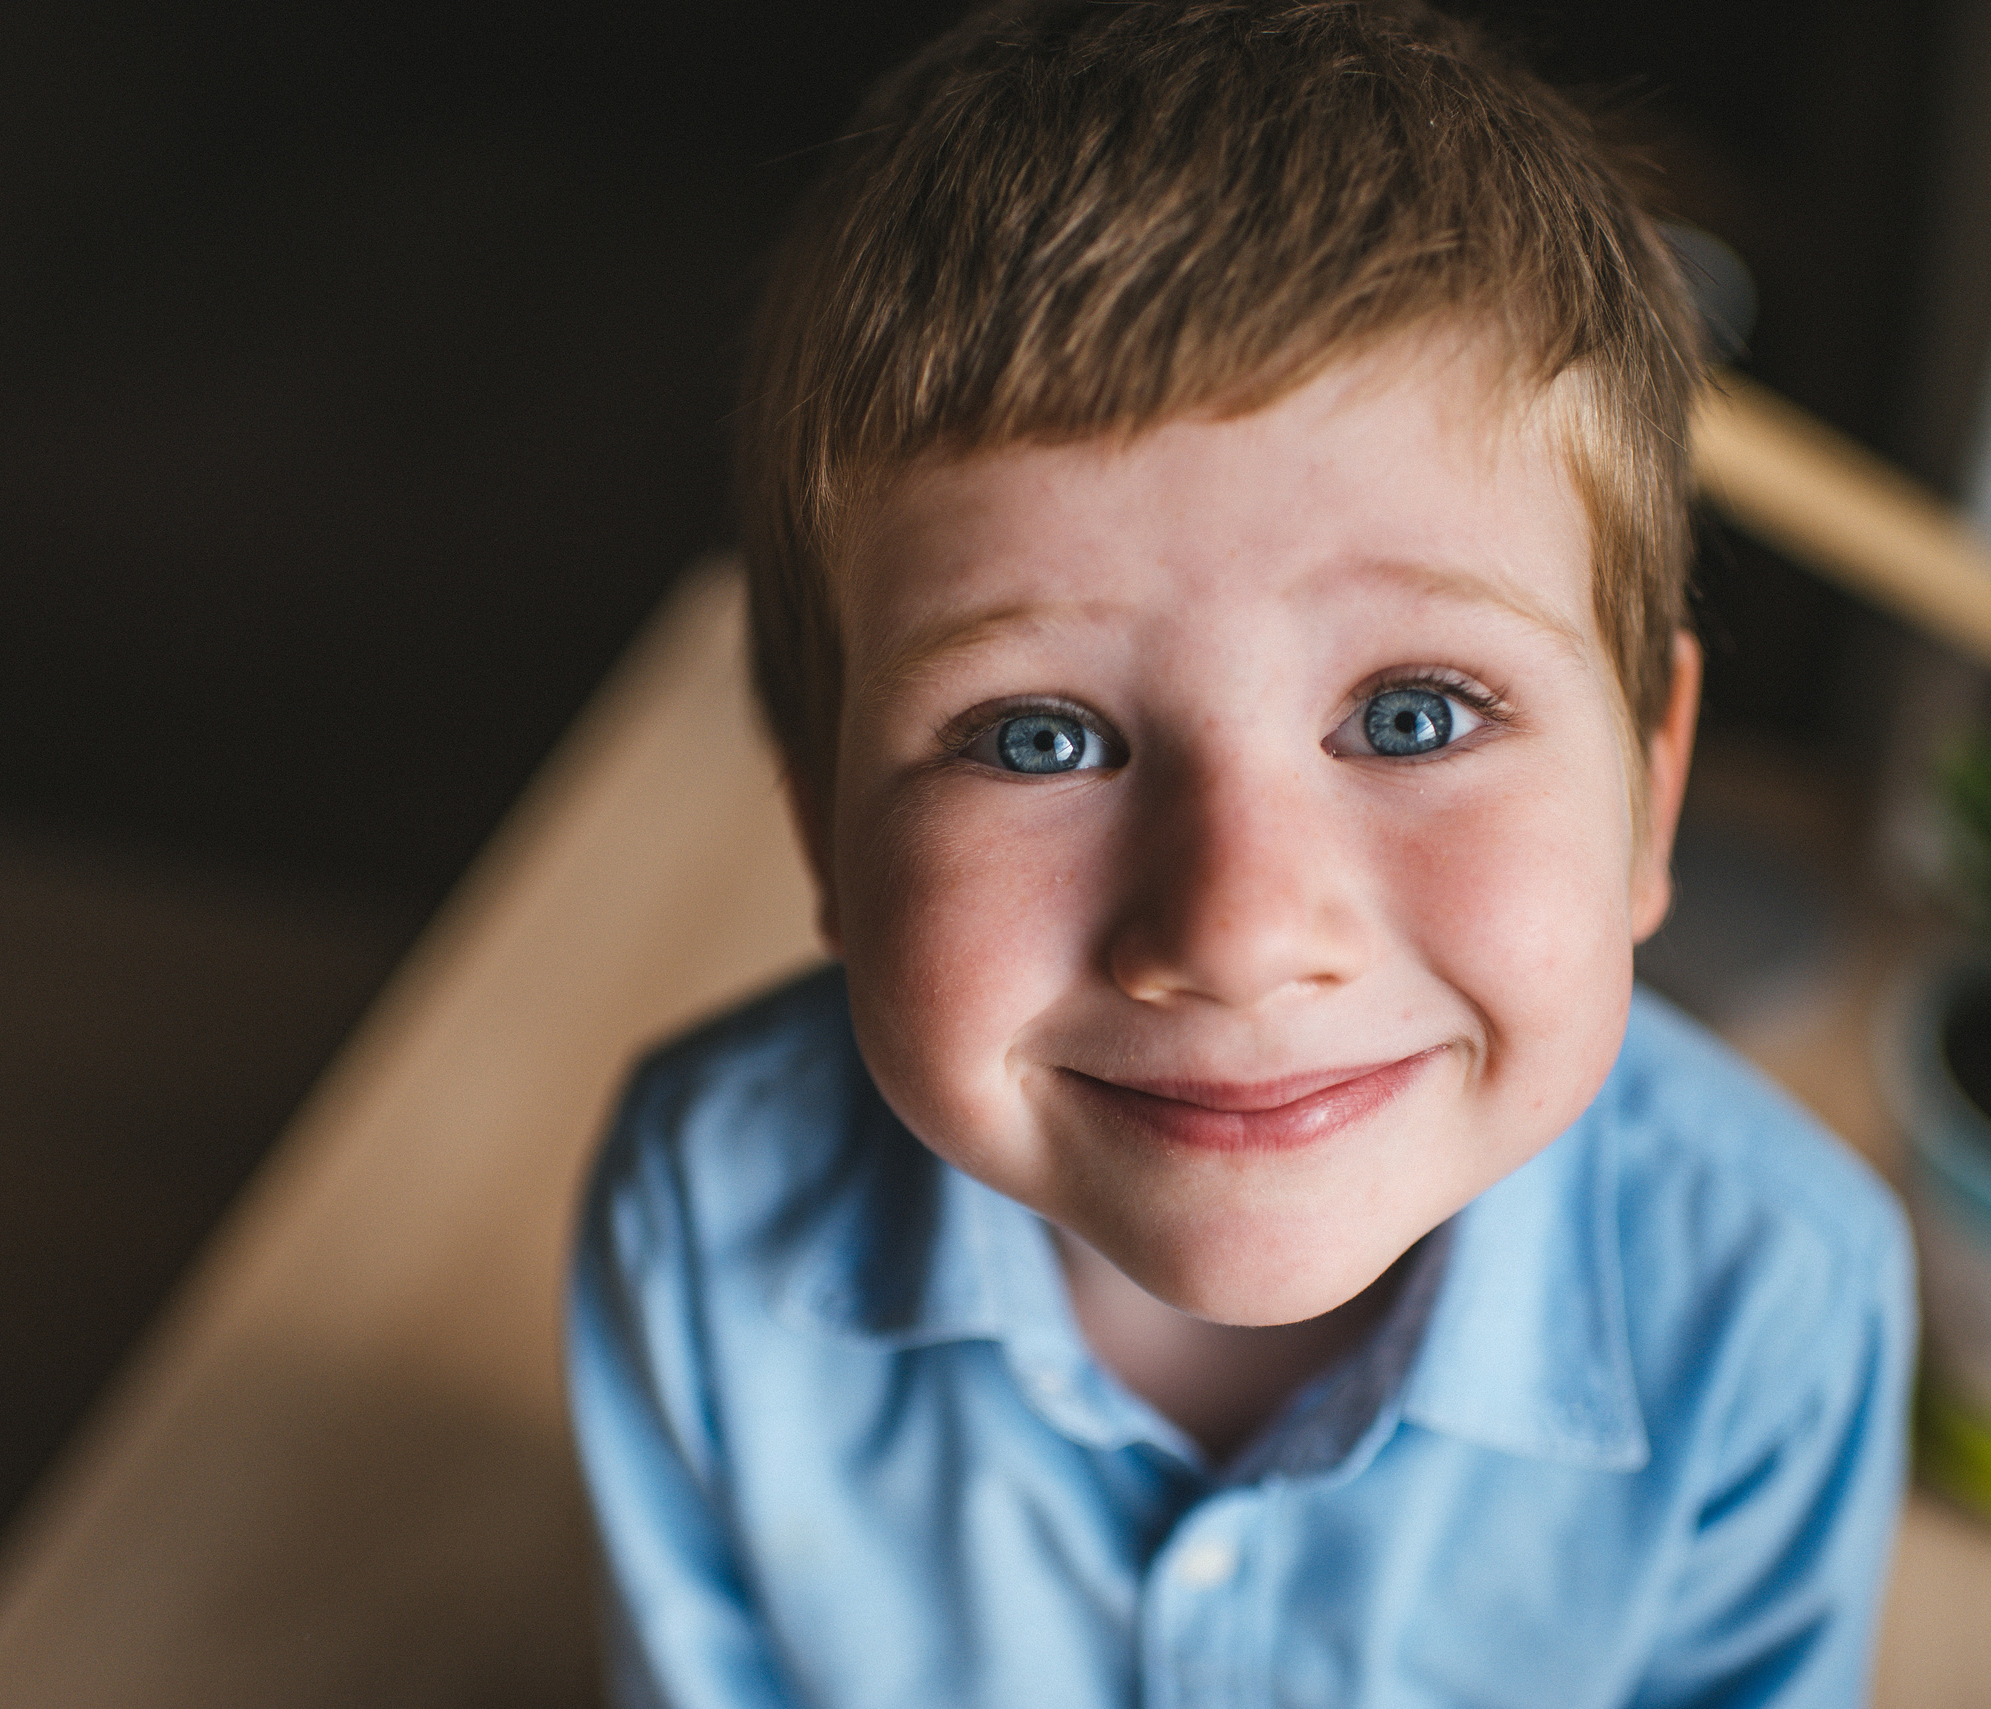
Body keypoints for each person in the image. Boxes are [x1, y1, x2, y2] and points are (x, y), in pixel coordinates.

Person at [567, 3, 1915, 1704]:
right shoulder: (706, 1213)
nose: (1241, 927)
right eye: (1040, 735)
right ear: (817, 823)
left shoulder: (1780, 1295)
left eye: (1416, 713)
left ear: (1650, 791)